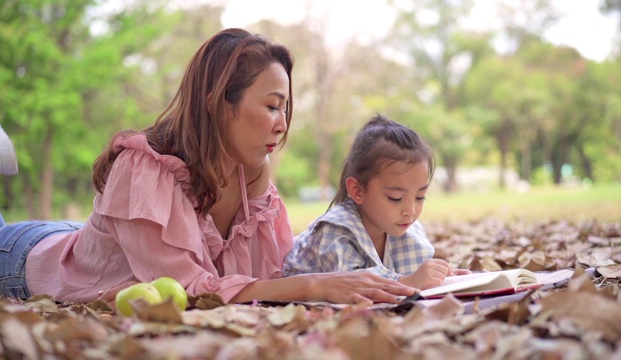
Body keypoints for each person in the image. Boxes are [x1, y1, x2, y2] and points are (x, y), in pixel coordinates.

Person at [0, 28, 417, 306]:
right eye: (272, 106)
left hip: (83, 242)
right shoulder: (143, 169)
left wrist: (401, 282)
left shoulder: (252, 171)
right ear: (219, 102)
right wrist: (312, 286)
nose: (283, 123)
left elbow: (269, 277)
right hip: (25, 261)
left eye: (286, 108)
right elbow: (191, 293)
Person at [283, 115, 470, 290]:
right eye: (395, 198)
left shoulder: (405, 228)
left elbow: (418, 275)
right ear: (357, 190)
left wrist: (444, 278)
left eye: (420, 197)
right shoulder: (335, 230)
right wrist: (406, 282)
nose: (411, 210)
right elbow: (346, 287)